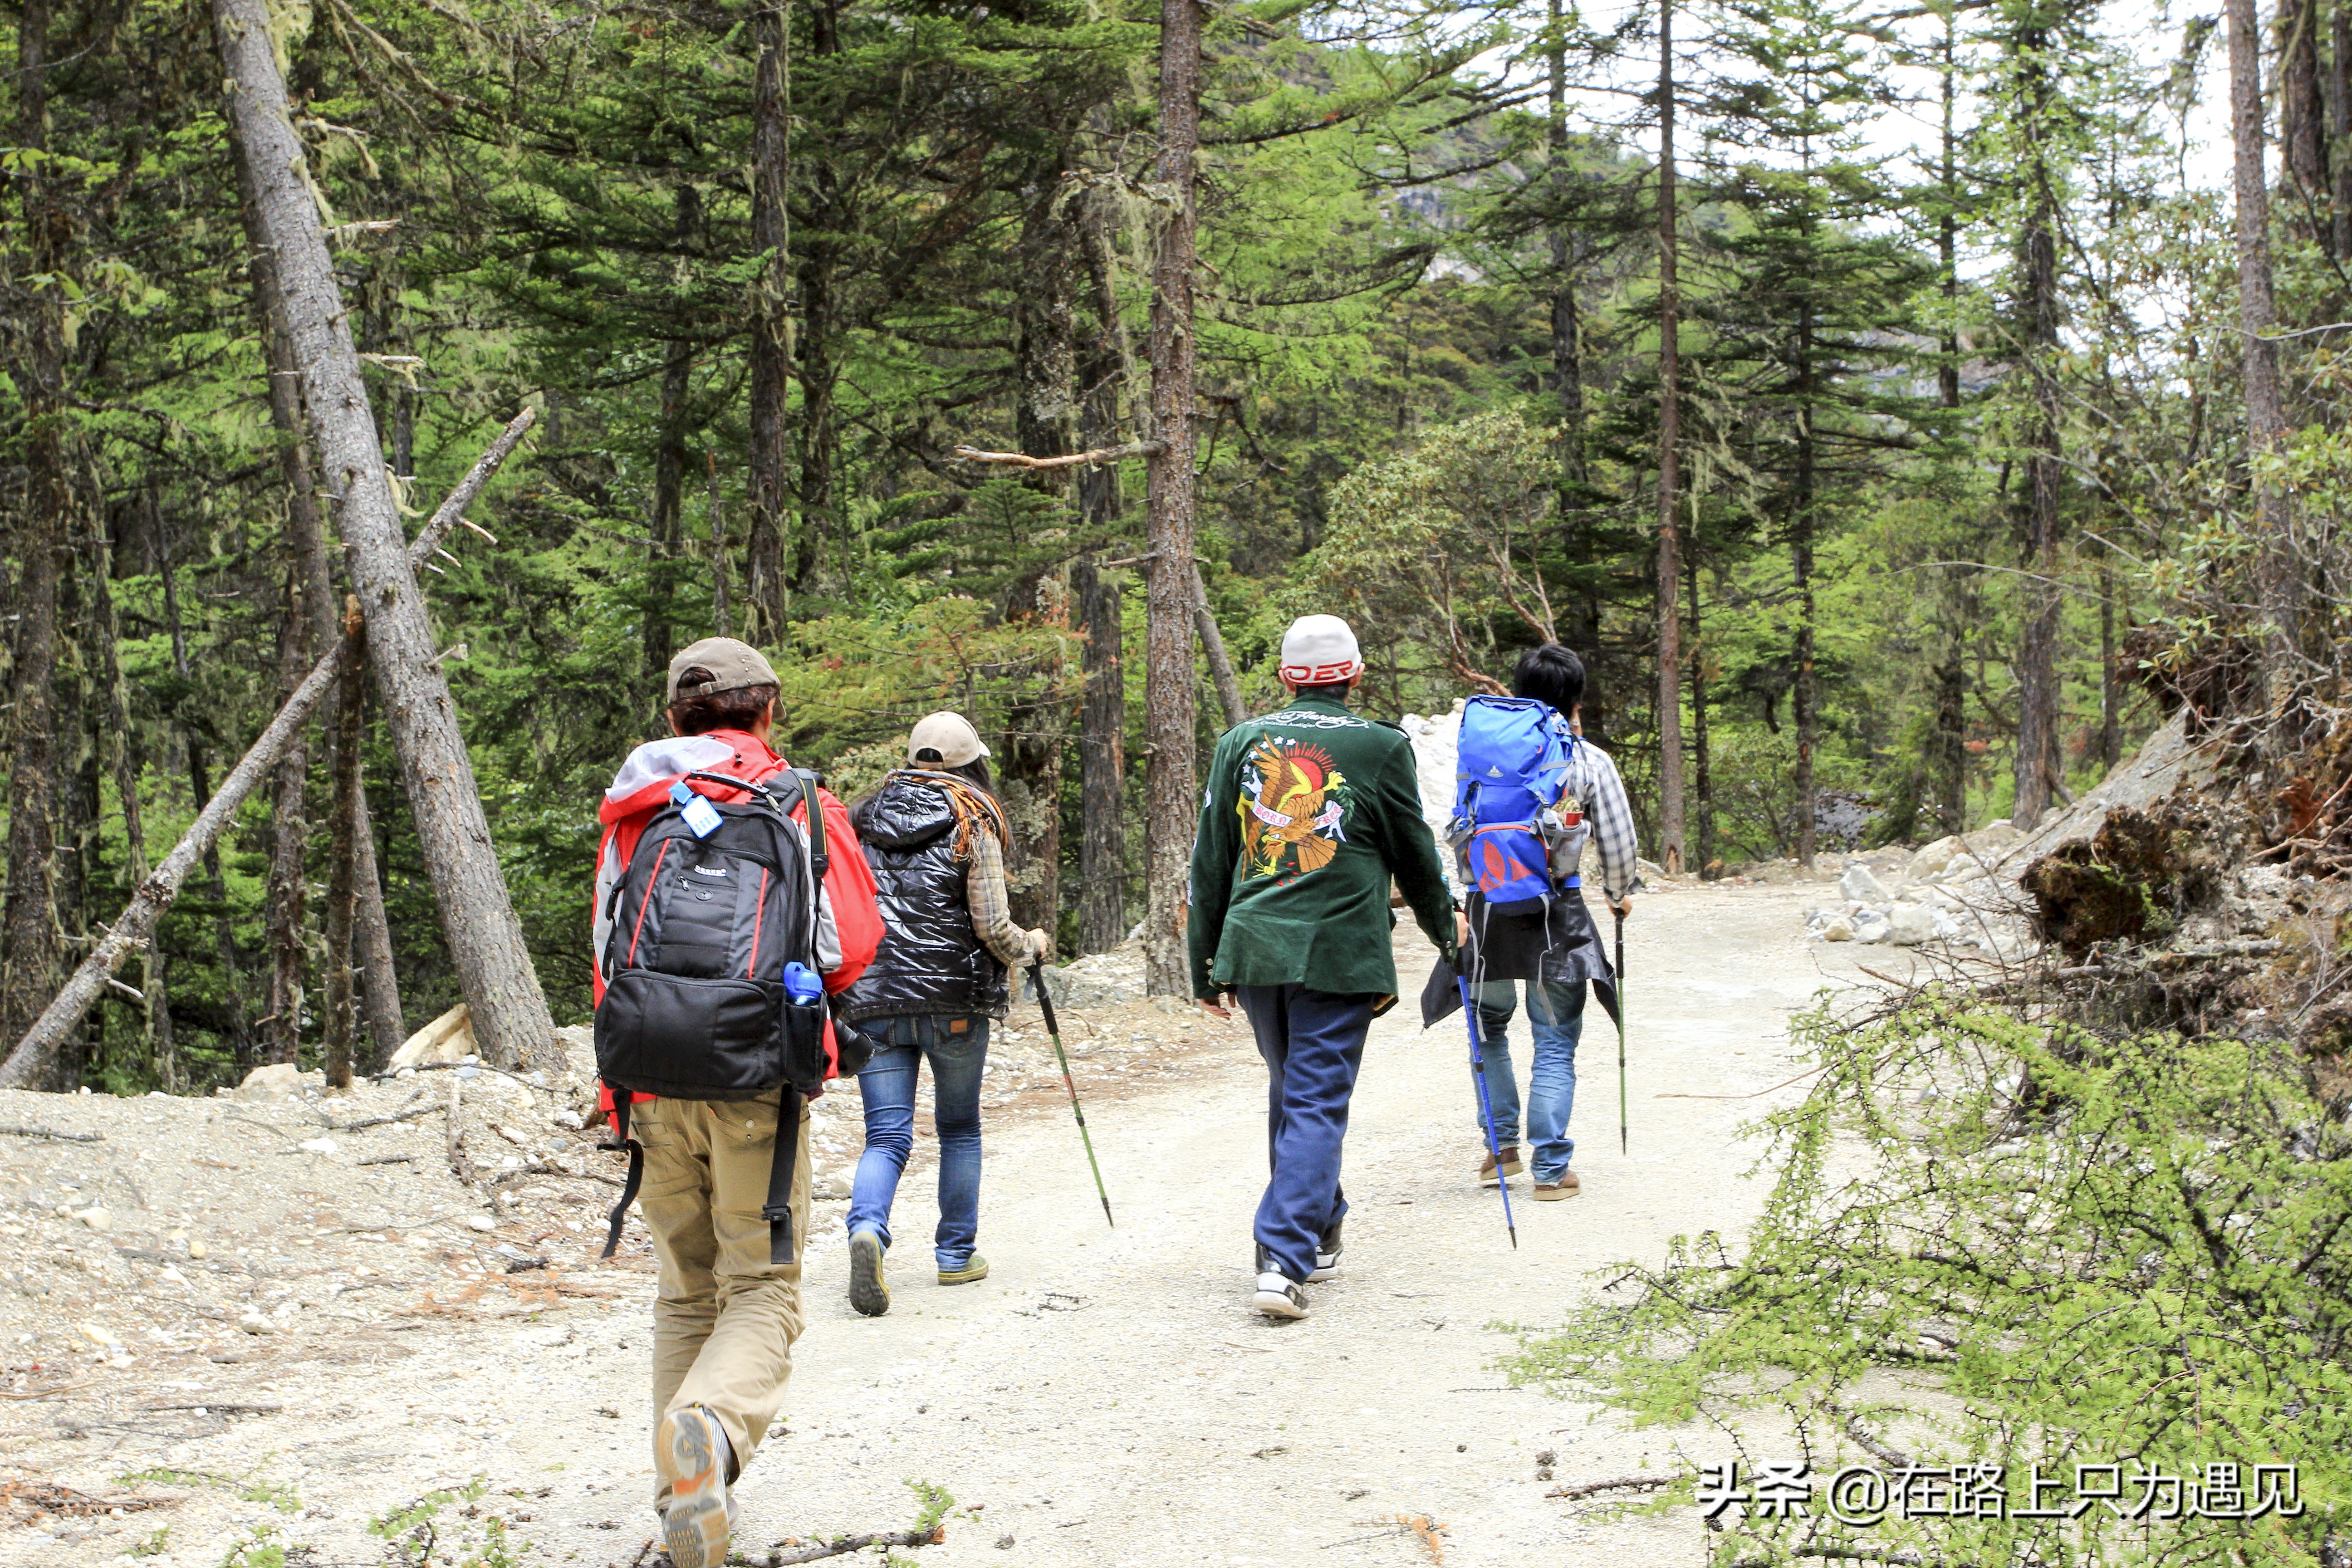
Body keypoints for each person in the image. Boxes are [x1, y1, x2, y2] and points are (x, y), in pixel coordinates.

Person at [589, 638, 883, 1568]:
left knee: (685, 1289)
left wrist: (619, 1089)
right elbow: (851, 943)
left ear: (676, 718)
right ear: (768, 710)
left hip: (647, 1076)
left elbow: (605, 949)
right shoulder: (797, 801)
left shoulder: (634, 809)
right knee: (761, 1289)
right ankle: (707, 1441)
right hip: (755, 1076)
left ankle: (680, 1494)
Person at [1188, 614, 1456, 1320]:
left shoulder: (1240, 743)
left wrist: (1205, 966)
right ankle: (1281, 1256)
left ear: (1284, 679)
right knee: (1312, 1100)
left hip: (1254, 948)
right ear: (1356, 675)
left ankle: (1322, 1218)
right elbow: (1415, 855)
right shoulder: (1380, 747)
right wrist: (1450, 934)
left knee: (1294, 1090)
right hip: (1339, 952)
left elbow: (1211, 861)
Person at [837, 711, 1049, 1317]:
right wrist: (1030, 946)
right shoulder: (972, 818)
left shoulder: (858, 819)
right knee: (959, 1128)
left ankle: (868, 1231)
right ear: (971, 764)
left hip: (874, 996)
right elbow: (991, 926)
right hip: (954, 1001)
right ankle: (956, 1256)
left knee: (886, 1134)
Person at [1450, 643, 1636, 1201]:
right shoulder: (1587, 760)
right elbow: (1618, 843)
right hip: (1557, 910)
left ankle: (1501, 1151)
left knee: (1489, 1029)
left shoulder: (1480, 757)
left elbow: (1455, 832)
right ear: (1575, 699)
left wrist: (1460, 899)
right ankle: (1551, 1170)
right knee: (1554, 1043)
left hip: (1485, 908)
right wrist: (1621, 894)